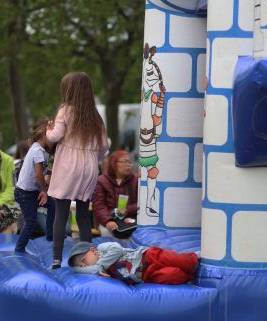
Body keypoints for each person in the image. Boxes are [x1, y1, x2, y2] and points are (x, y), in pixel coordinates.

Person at [46, 72, 109, 269]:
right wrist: (94, 158)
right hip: (89, 166)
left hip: (68, 165)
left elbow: (54, 137)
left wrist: (48, 129)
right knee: (83, 214)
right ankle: (88, 256)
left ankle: (57, 258)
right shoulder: (95, 116)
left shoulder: (65, 111)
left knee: (61, 213)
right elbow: (104, 146)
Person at [68, 241, 199, 285]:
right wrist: (95, 268)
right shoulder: (97, 271)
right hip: (145, 275)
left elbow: (117, 249)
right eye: (81, 266)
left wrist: (100, 265)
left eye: (83, 260)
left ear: (92, 250)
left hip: (146, 256)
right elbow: (75, 270)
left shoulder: (101, 249)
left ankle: (194, 258)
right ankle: (191, 277)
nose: (84, 266)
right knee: (172, 275)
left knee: (176, 259)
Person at [14, 118, 54, 252]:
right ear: (43, 133)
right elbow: (38, 173)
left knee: (53, 205)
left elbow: (42, 169)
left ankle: (50, 235)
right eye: (52, 134)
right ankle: (19, 249)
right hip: (25, 193)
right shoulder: (37, 150)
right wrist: (44, 190)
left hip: (32, 191)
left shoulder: (43, 150)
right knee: (30, 222)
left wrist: (51, 172)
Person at [92, 150, 138, 237]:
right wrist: (108, 221)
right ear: (114, 163)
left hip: (130, 220)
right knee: (106, 232)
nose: (128, 165)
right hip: (108, 220)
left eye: (129, 162)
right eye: (125, 161)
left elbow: (141, 203)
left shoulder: (135, 180)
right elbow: (99, 205)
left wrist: (127, 210)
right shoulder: (101, 181)